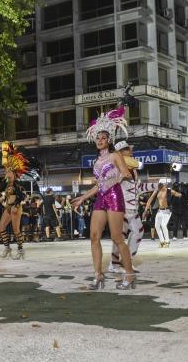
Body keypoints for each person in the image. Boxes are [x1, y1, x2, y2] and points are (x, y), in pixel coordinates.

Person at [70, 107, 135, 290]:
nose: (100, 141)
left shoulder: (115, 155)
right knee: (94, 236)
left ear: (109, 140)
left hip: (114, 196)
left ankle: (129, 275)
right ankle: (98, 275)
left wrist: (114, 179)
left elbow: (126, 174)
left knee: (116, 238)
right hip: (101, 198)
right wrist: (83, 197)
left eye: (103, 138)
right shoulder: (97, 161)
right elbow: (98, 185)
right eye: (97, 138)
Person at [107, 141, 158, 273]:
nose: (131, 151)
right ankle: (116, 264)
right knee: (124, 235)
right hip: (121, 208)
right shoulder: (117, 168)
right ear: (121, 152)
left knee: (133, 233)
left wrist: (156, 186)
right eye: (129, 149)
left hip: (131, 208)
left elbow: (138, 188)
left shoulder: (132, 170)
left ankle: (124, 262)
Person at [0, 145, 28, 259]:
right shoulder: (7, 181)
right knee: (1, 229)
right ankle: (7, 247)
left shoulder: (17, 183)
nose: (6, 172)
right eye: (6, 170)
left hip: (15, 208)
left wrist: (16, 205)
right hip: (8, 207)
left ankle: (20, 250)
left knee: (16, 230)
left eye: (9, 171)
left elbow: (23, 196)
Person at [144, 183, 182, 247]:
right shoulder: (157, 191)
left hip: (167, 210)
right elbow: (150, 199)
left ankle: (167, 241)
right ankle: (162, 241)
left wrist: (179, 194)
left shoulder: (169, 191)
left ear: (164, 186)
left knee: (163, 225)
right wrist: (146, 209)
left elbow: (177, 194)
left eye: (161, 187)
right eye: (159, 187)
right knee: (157, 226)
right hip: (160, 210)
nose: (159, 188)